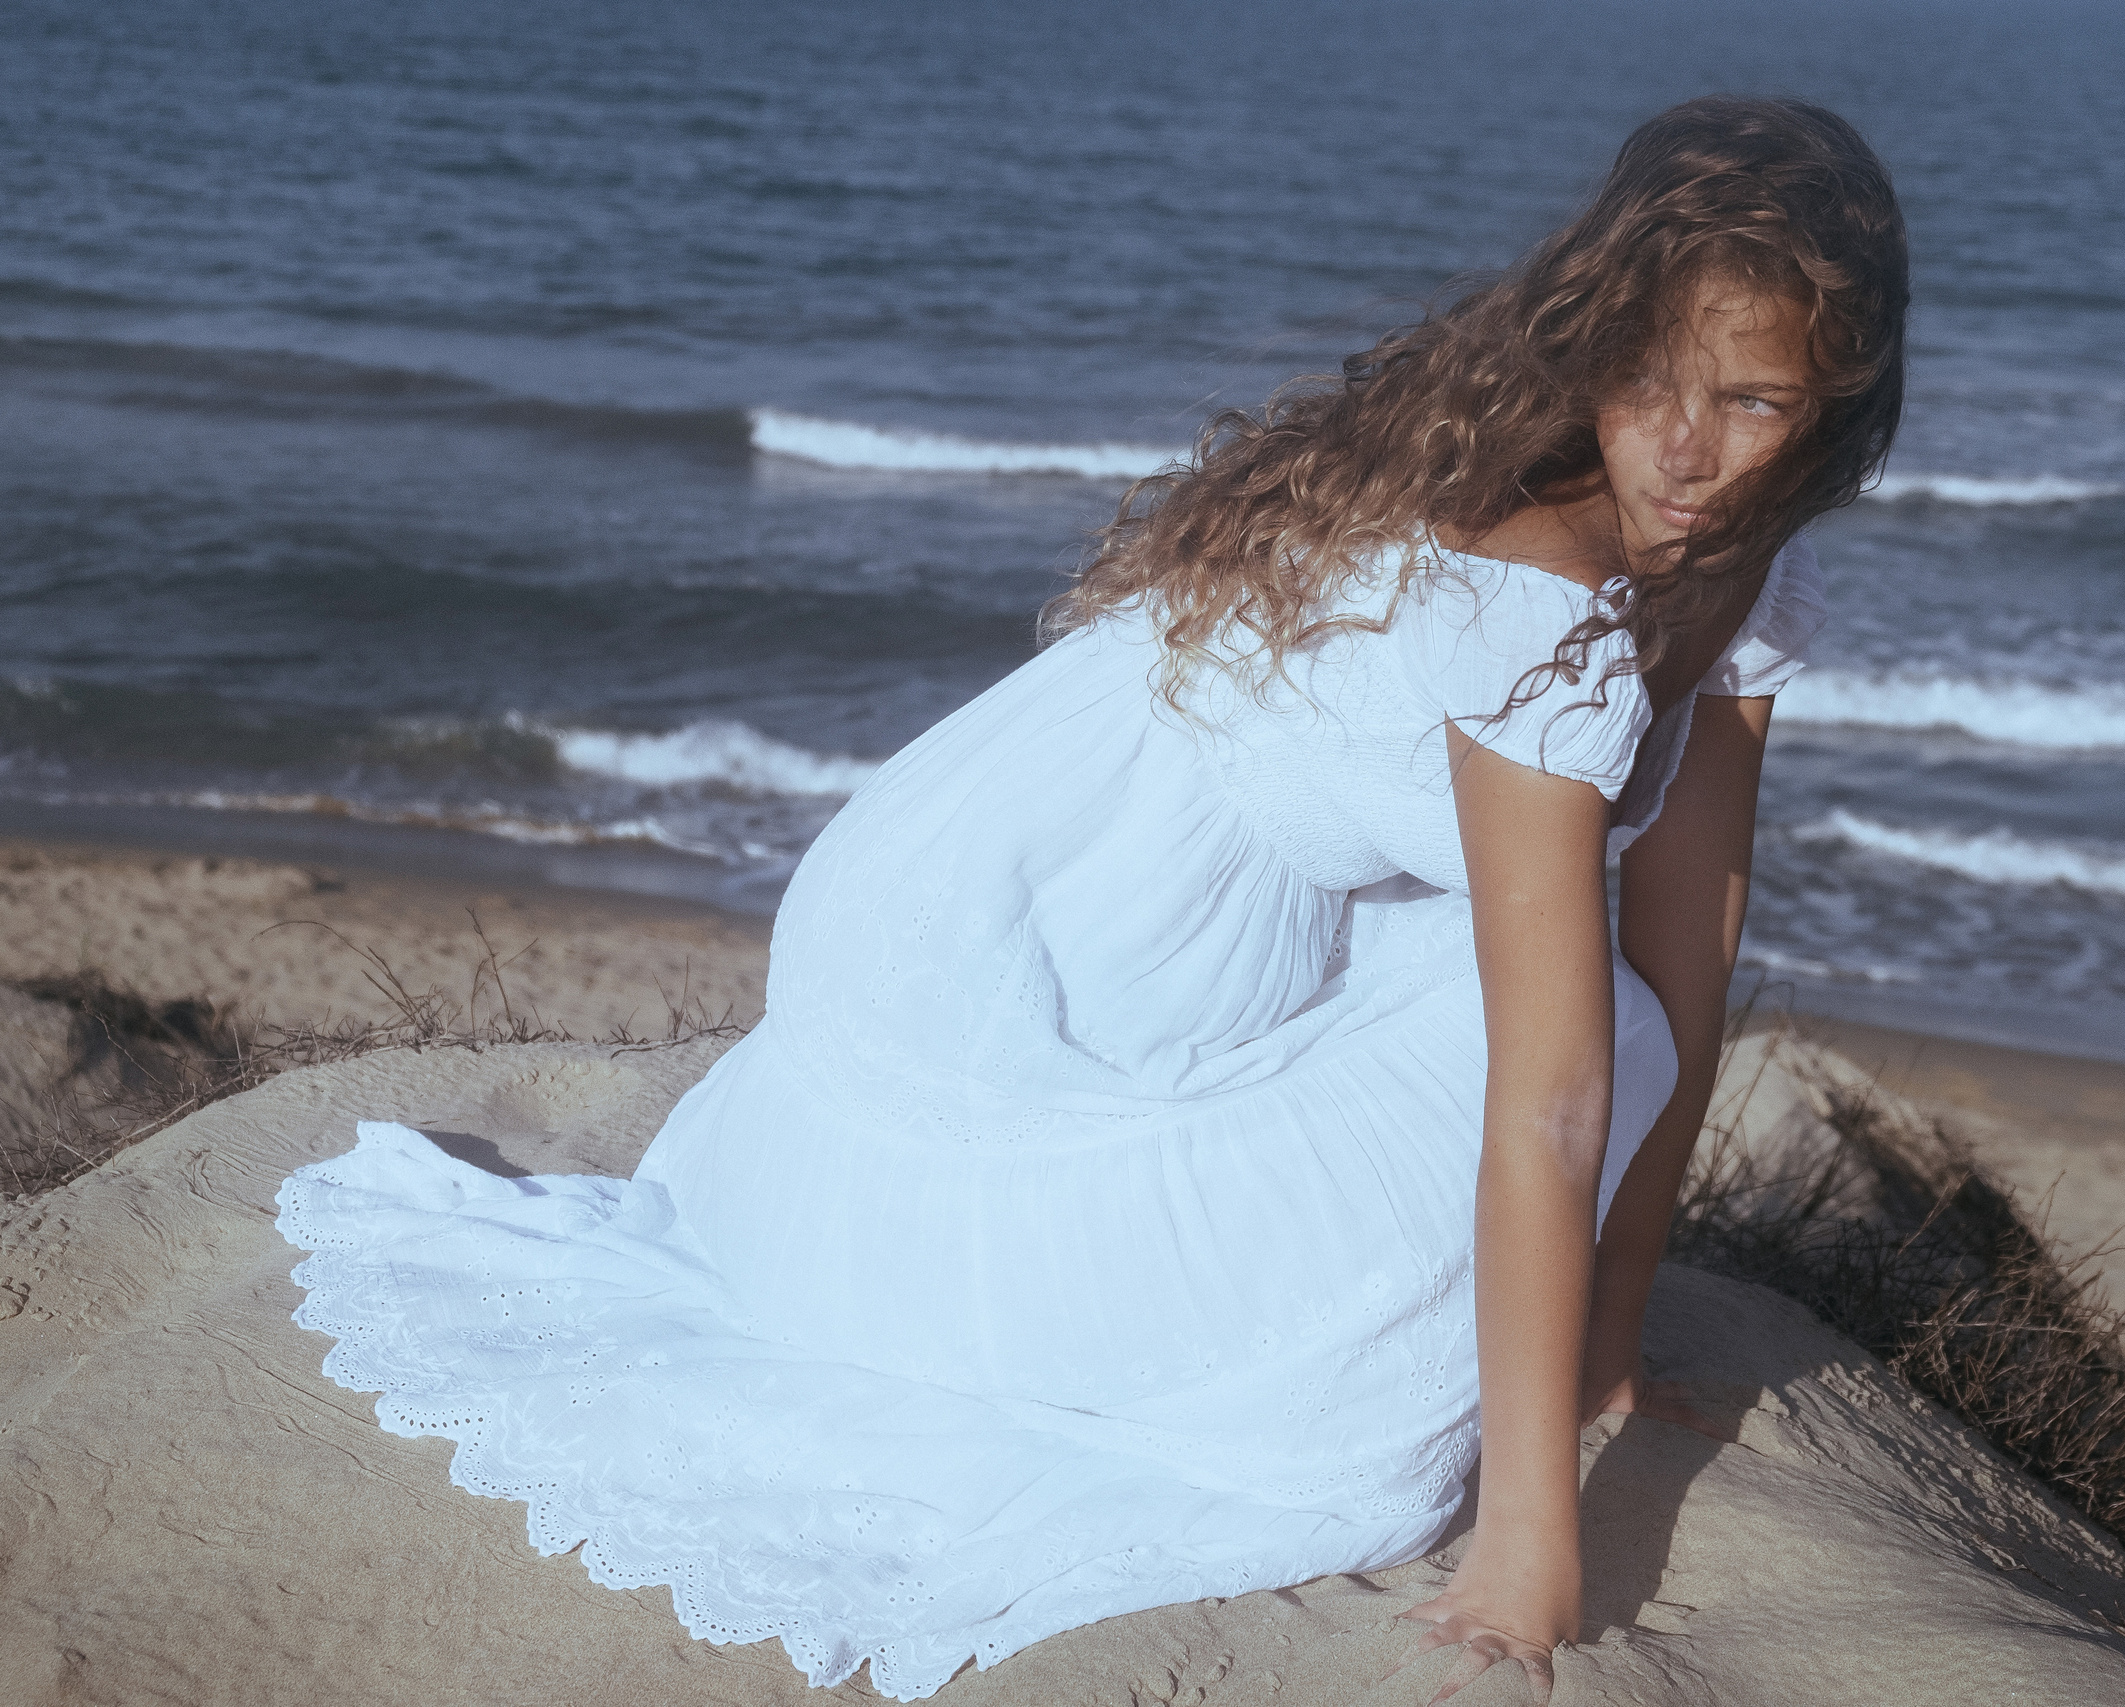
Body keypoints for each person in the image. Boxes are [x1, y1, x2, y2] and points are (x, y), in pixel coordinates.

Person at [276, 95, 1908, 1704]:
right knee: (1532, 1100)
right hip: (1027, 908)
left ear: (1832, 411)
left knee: (1606, 1010)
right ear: (1589, 340)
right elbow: (1558, 1098)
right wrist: (1531, 1537)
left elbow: (1691, 935)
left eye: (1753, 402)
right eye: (1645, 379)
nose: (1685, 452)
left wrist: (1618, 1325)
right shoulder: (1535, 586)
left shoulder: (1745, 569)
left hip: (1234, 921)